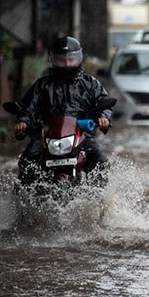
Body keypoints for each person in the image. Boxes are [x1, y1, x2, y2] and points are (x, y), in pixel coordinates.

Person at [14, 36, 112, 185]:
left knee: (100, 161)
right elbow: (29, 108)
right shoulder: (43, 85)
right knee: (27, 160)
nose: (67, 64)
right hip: (47, 137)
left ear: (79, 58)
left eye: (70, 59)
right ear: (53, 60)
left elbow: (103, 102)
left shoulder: (90, 84)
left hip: (82, 135)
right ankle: (24, 200)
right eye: (62, 60)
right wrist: (23, 122)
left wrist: (103, 117)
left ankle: (100, 201)